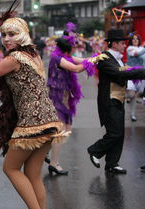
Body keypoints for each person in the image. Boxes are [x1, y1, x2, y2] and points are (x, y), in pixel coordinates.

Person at [0, 4, 70, 209]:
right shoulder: (34, 54)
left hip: (32, 123)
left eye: (12, 34)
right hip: (50, 120)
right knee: (32, 173)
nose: (7, 39)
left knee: (9, 168)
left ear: (23, 35)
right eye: (4, 35)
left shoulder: (15, 58)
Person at [87, 29, 145, 174]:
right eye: (121, 43)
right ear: (113, 44)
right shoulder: (104, 58)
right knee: (114, 133)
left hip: (118, 99)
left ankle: (112, 163)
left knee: (120, 133)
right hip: (109, 101)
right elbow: (120, 73)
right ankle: (95, 150)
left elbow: (124, 71)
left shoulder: (118, 58)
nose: (125, 45)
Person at [46, 30, 103, 175]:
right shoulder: (57, 58)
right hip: (57, 97)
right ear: (67, 49)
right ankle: (53, 162)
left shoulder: (66, 56)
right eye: (73, 48)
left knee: (67, 129)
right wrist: (94, 61)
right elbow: (77, 68)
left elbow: (82, 61)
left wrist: (98, 57)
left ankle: (46, 153)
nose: (75, 50)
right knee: (60, 130)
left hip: (65, 97)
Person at [126, 34, 145, 122]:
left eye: (137, 39)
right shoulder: (129, 48)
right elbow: (136, 54)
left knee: (139, 94)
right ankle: (132, 113)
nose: (135, 40)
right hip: (131, 73)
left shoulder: (142, 49)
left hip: (141, 74)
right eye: (133, 39)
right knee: (131, 95)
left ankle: (133, 113)